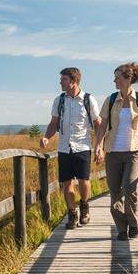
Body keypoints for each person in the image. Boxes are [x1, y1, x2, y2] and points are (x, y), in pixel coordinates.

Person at [95, 62, 138, 241]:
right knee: (115, 192)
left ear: (128, 79)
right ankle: (121, 228)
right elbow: (103, 125)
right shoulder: (111, 100)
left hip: (133, 152)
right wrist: (98, 146)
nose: (114, 81)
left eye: (117, 78)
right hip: (113, 151)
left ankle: (133, 224)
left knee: (130, 189)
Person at [40, 67, 103, 229]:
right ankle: (72, 214)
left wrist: (99, 146)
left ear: (73, 81)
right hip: (64, 148)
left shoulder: (88, 100)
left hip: (82, 146)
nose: (60, 82)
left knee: (84, 180)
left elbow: (98, 125)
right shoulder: (59, 100)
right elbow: (54, 123)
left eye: (64, 79)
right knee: (67, 183)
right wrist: (47, 137)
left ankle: (84, 206)